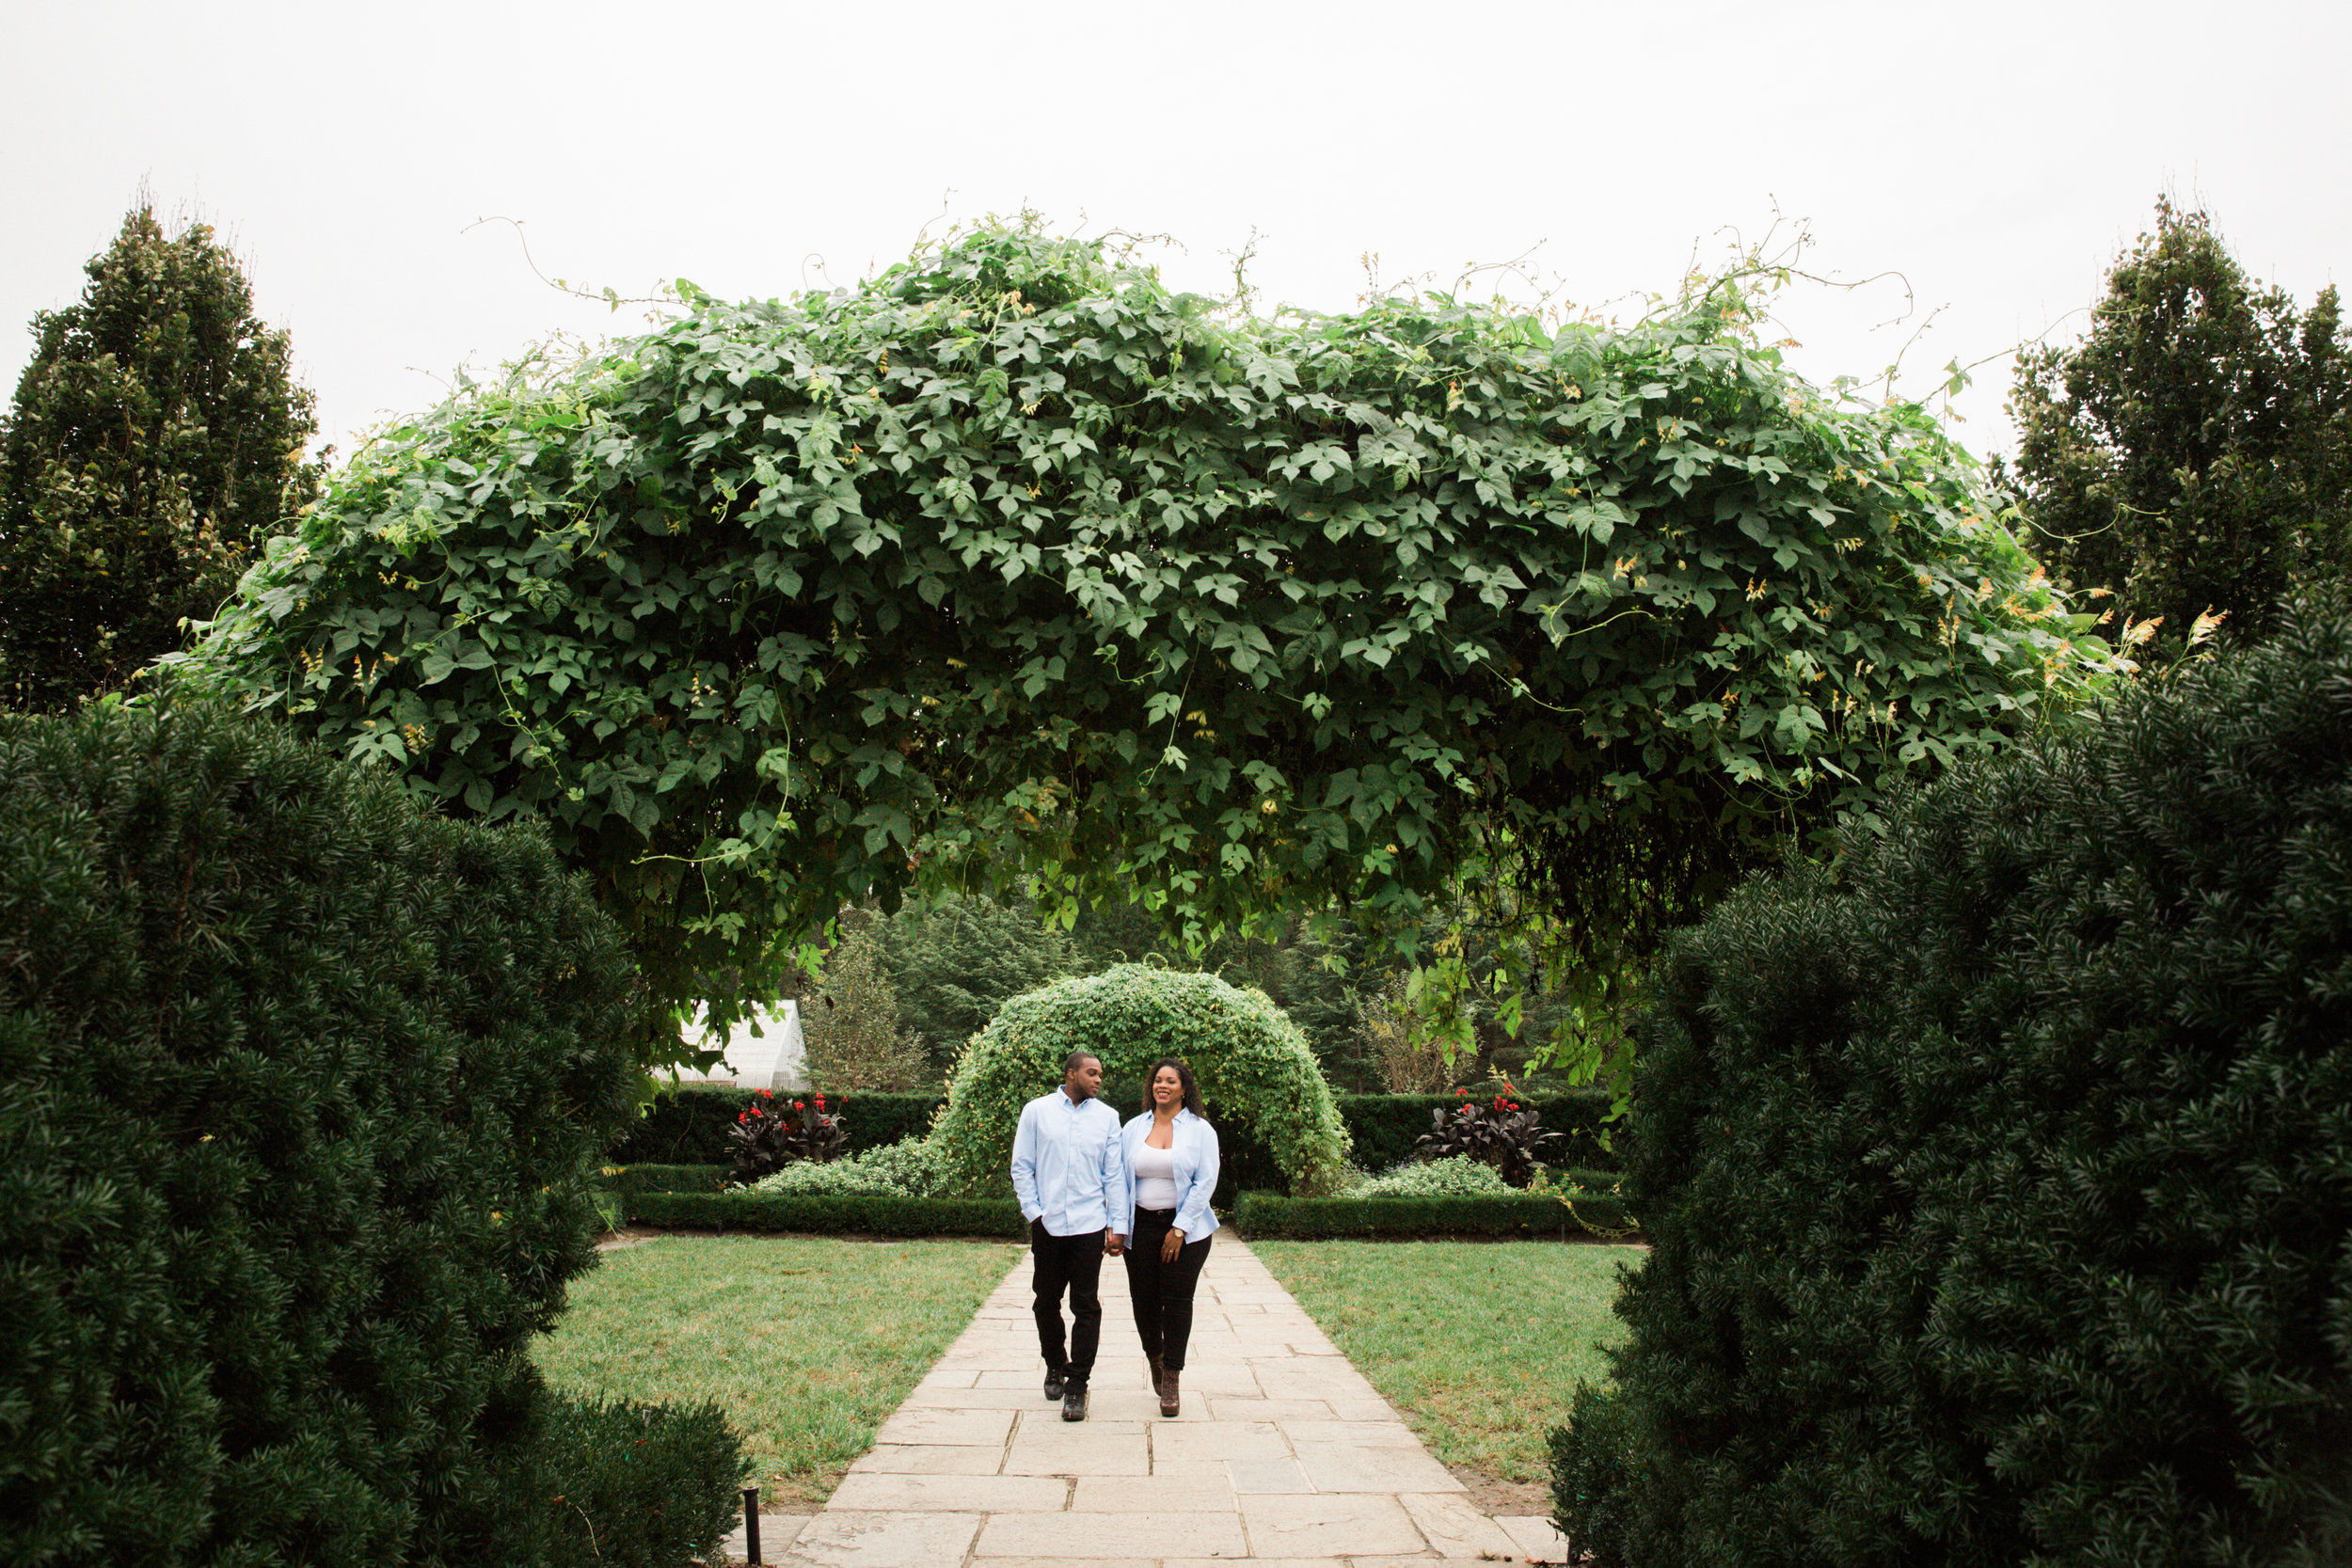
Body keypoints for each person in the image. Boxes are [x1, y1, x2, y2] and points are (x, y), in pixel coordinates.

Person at [1009, 1049, 1128, 1421]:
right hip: (1048, 1225)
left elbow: (1114, 1175)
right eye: (1091, 1073)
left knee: (1086, 1305)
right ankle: (1055, 1364)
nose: (1098, 1080)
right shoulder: (1037, 1111)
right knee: (1045, 1301)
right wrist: (1035, 1213)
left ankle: (1078, 1384)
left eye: (1101, 1075)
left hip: (1089, 1226)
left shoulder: (1108, 1118)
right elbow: (1021, 1166)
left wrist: (1117, 1226)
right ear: (1071, 1073)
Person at [1112, 1056, 1220, 1417]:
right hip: (1140, 1226)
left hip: (1186, 1232)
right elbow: (1117, 1180)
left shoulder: (1200, 1130)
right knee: (1143, 1301)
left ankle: (1172, 1377)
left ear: (1184, 1088)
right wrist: (1116, 1225)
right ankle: (1155, 1357)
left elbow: (1206, 1181)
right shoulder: (1133, 1128)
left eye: (1171, 1081)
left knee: (1176, 1301)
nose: (1163, 1085)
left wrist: (1180, 1227)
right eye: (1158, 1080)